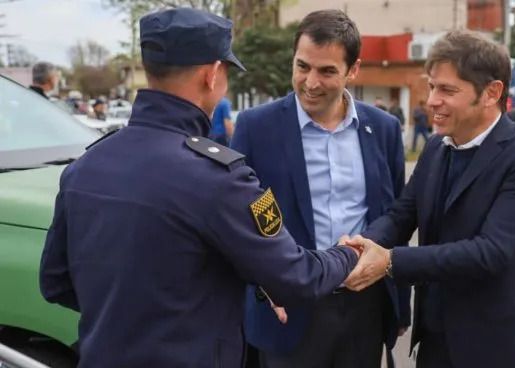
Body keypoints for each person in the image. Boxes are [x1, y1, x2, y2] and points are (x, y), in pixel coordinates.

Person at [39, 8, 363, 368]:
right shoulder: (218, 178)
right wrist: (350, 253)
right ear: (211, 75)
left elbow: (55, 283)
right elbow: (297, 277)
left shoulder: (84, 167)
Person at [341, 30, 515, 368]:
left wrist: (391, 261)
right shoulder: (435, 148)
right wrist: (359, 247)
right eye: (431, 87)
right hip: (435, 340)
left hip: (497, 345)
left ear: (491, 93)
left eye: (447, 90)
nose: (431, 101)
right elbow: (402, 215)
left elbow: (492, 252)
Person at [231, 9, 409, 368]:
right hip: (289, 309)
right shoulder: (256, 127)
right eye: (302, 66)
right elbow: (237, 217)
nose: (311, 82)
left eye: (327, 71)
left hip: (364, 307)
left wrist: (396, 297)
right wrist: (263, 284)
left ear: (353, 70)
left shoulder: (384, 129)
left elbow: (394, 215)